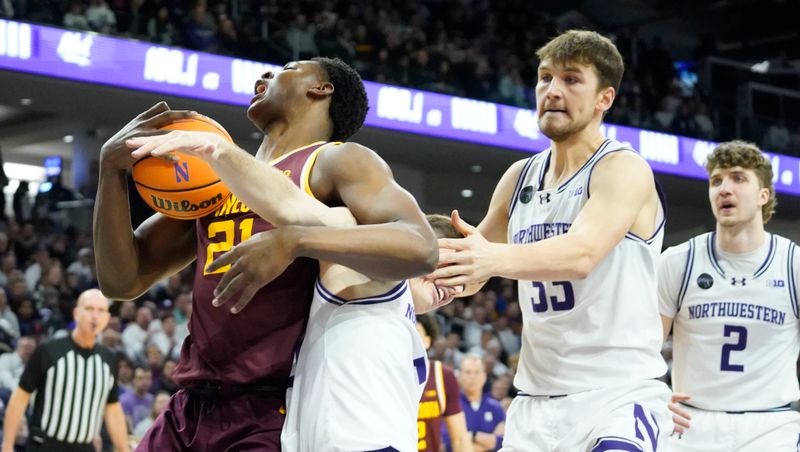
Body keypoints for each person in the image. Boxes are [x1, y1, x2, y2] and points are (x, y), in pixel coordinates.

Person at [95, 56, 437, 451]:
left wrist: (294, 239)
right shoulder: (218, 176)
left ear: (321, 88)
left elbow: (419, 246)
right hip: (190, 404)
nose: (265, 75)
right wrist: (110, 169)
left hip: (268, 408)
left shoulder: (335, 160)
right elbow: (123, 280)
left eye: (287, 68)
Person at [429, 29, 671, 451]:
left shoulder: (622, 169)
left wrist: (490, 258)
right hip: (536, 402)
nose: (552, 90)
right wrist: (418, 265)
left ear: (604, 99)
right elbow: (472, 270)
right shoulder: (518, 177)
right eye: (545, 78)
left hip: (616, 395)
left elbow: (582, 253)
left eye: (572, 79)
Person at [659, 140, 800, 450]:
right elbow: (641, 346)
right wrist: (651, 395)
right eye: (716, 180)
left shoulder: (793, 265)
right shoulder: (677, 261)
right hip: (690, 422)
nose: (724, 188)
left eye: (738, 178)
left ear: (764, 195)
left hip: (770, 426)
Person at [1, 289, 129, 452]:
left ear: (107, 318)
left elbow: (113, 409)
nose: (95, 316)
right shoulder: (48, 350)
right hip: (45, 445)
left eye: (101, 310)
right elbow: (20, 398)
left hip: (84, 448)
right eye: (89, 309)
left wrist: (124, 449)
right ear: (76, 313)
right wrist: (7, 445)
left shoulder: (109, 359)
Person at [416, 313, 472, 452]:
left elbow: (460, 439)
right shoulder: (378, 374)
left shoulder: (441, 375)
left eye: (415, 333)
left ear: (427, 341)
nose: (410, 340)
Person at [456, 355, 505, 452]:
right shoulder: (452, 406)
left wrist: (473, 435)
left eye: (477, 372)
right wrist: (489, 441)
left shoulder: (495, 407)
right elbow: (451, 445)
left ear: (484, 376)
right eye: (468, 372)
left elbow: (502, 442)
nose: (472, 377)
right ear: (460, 376)